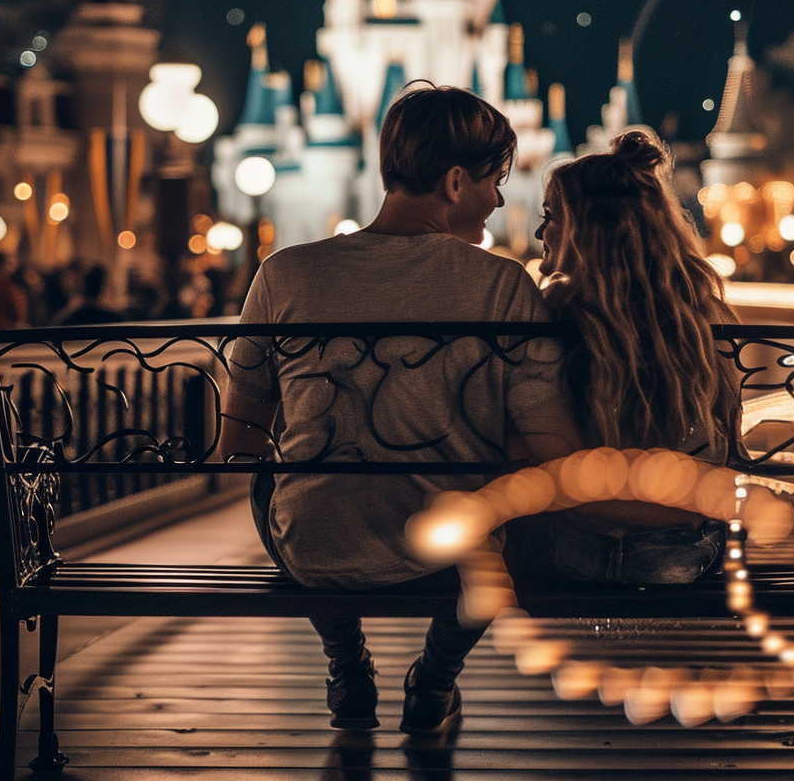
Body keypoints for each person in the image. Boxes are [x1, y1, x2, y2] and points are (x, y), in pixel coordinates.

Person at [218, 85, 579, 735]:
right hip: (456, 551)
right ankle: (435, 678)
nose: (499, 199)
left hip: (313, 548)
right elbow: (543, 441)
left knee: (295, 489)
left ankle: (345, 660)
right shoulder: (502, 285)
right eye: (494, 181)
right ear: (453, 181)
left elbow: (239, 440)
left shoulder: (284, 273)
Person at [505, 130, 742, 588]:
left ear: (587, 226)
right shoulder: (699, 316)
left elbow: (550, 470)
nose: (540, 233)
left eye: (551, 217)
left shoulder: (553, 314)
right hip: (681, 552)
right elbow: (723, 453)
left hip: (569, 552)